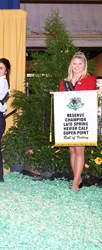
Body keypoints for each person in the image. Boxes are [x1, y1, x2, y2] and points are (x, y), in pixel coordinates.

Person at [59, 52, 96, 191]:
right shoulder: (64, 82)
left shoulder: (90, 80)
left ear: (84, 65)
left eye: (80, 63)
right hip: (68, 120)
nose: (77, 66)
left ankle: (75, 183)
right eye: (74, 63)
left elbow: (89, 100)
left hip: (83, 119)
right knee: (72, 150)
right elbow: (62, 101)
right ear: (71, 65)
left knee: (80, 149)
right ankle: (78, 178)